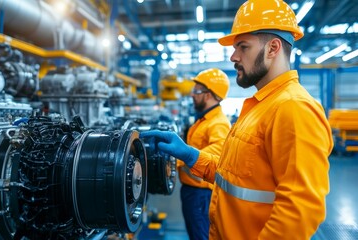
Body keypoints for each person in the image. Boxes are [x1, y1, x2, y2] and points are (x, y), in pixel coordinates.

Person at [140, 0, 333, 239]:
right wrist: (191, 155)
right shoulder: (260, 107)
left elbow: (299, 212)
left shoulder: (293, 109)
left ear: (273, 48)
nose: (233, 56)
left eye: (242, 47)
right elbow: (232, 176)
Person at [179, 68, 231, 240]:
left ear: (208, 94)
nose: (192, 95)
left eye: (196, 91)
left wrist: (178, 157)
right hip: (192, 191)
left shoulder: (218, 124)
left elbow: (215, 158)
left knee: (201, 236)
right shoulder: (204, 119)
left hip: (201, 195)